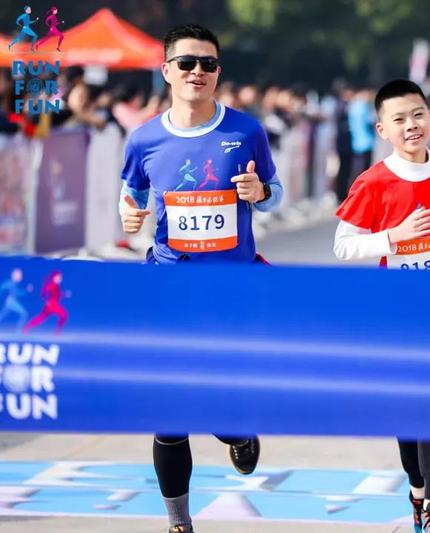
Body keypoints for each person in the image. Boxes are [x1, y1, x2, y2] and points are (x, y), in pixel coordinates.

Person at [118, 24, 283, 533]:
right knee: (169, 413)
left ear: (218, 72)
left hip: (232, 290)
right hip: (169, 287)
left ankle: (237, 433)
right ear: (167, 71)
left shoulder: (246, 131)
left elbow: (275, 192)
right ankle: (178, 523)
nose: (197, 72)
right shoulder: (144, 138)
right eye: (186, 63)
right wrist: (128, 214)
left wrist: (260, 193)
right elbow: (132, 194)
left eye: (207, 64)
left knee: (217, 399)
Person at [334, 79, 430, 533]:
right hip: (398, 313)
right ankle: (418, 491)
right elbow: (343, 245)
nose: (411, 125)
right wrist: (394, 237)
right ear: (382, 129)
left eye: (418, 115)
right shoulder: (374, 181)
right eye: (399, 119)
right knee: (409, 408)